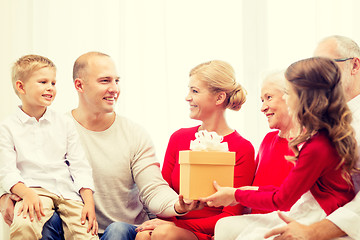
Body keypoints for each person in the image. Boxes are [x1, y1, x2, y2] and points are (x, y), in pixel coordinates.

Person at [202, 57, 358, 240]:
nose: (285, 98)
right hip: (310, 207)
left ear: (305, 98)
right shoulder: (319, 139)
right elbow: (284, 190)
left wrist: (236, 194)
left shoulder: (318, 146)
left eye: (288, 93)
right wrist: (237, 193)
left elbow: (282, 198)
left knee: (249, 236)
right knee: (225, 226)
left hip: (319, 215)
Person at [134, 60, 256, 240]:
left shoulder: (242, 148)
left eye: (195, 91)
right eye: (189, 90)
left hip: (207, 233)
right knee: (144, 235)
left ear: (219, 98)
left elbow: (230, 216)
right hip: (171, 227)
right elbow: (163, 194)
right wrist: (164, 223)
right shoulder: (179, 138)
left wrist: (176, 225)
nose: (187, 97)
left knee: (162, 233)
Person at [264, 35, 360, 240]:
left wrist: (313, 231)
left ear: (355, 65)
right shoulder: (319, 123)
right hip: (310, 212)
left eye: (327, 64)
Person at [0, 55, 98, 239]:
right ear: (21, 87)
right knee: (23, 224)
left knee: (87, 233)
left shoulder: (65, 123)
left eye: (53, 83)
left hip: (67, 192)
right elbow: (7, 172)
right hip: (33, 190)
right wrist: (26, 193)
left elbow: (80, 166)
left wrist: (89, 202)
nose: (50, 88)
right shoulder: (7, 128)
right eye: (43, 82)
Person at [251, 71, 296, 214]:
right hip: (253, 226)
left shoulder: (309, 144)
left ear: (291, 97)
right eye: (262, 100)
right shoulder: (267, 140)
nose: (262, 108)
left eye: (268, 98)